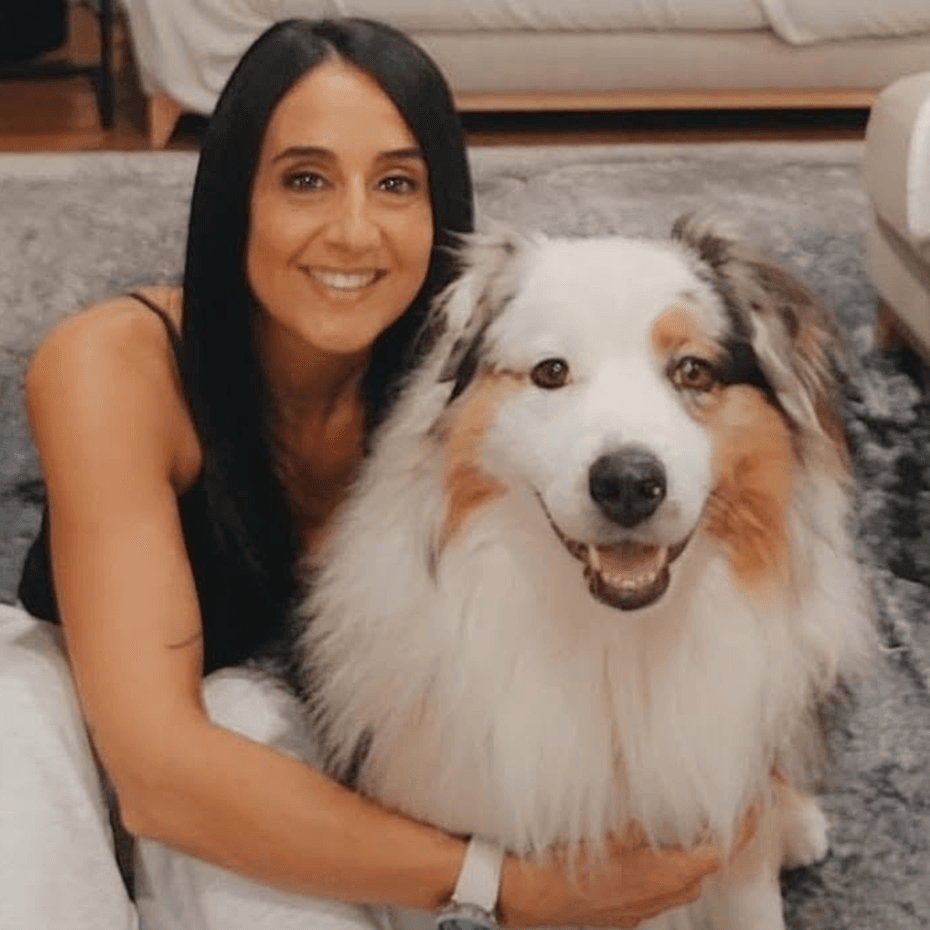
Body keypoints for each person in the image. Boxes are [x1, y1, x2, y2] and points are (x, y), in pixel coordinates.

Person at [0, 17, 754, 930]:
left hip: (278, 715)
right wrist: (509, 886)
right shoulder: (112, 363)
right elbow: (159, 770)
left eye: (396, 183)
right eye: (305, 179)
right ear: (236, 197)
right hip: (82, 692)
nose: (354, 232)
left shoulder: (462, 392)